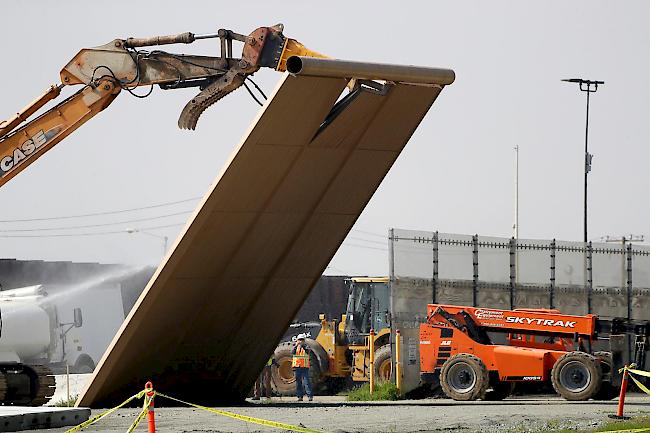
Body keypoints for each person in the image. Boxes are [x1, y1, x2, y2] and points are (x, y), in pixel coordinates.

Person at [292, 333, 313, 402]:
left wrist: (303, 346)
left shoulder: (307, 347)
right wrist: (296, 346)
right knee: (298, 383)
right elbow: (292, 353)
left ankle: (310, 396)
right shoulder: (295, 347)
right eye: (299, 339)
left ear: (304, 340)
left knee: (306, 382)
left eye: (302, 340)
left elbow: (308, 352)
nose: (300, 341)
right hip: (297, 367)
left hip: (304, 367)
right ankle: (299, 397)